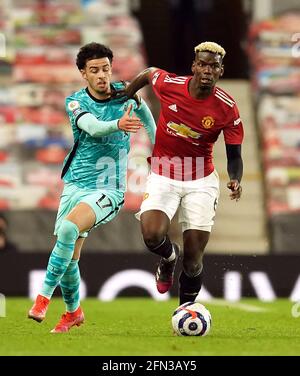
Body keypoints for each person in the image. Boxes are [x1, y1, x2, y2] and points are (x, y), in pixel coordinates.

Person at [28, 42, 156, 333]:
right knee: (70, 251)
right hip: (75, 184)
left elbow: (146, 115)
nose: (102, 75)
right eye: (94, 70)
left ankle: (43, 298)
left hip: (108, 187)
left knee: (69, 230)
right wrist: (118, 124)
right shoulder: (75, 102)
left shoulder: (126, 93)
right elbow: (95, 127)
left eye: (106, 69)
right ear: (83, 74)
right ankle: (73, 312)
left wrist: (158, 145)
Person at [123, 41, 243, 305]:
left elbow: (235, 154)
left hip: (201, 181)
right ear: (194, 66)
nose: (208, 70)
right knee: (152, 236)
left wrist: (235, 178)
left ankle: (185, 310)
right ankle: (168, 257)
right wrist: (127, 94)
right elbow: (148, 72)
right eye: (203, 64)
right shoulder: (171, 85)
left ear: (221, 71)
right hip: (164, 174)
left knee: (193, 259)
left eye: (214, 66)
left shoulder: (227, 108)